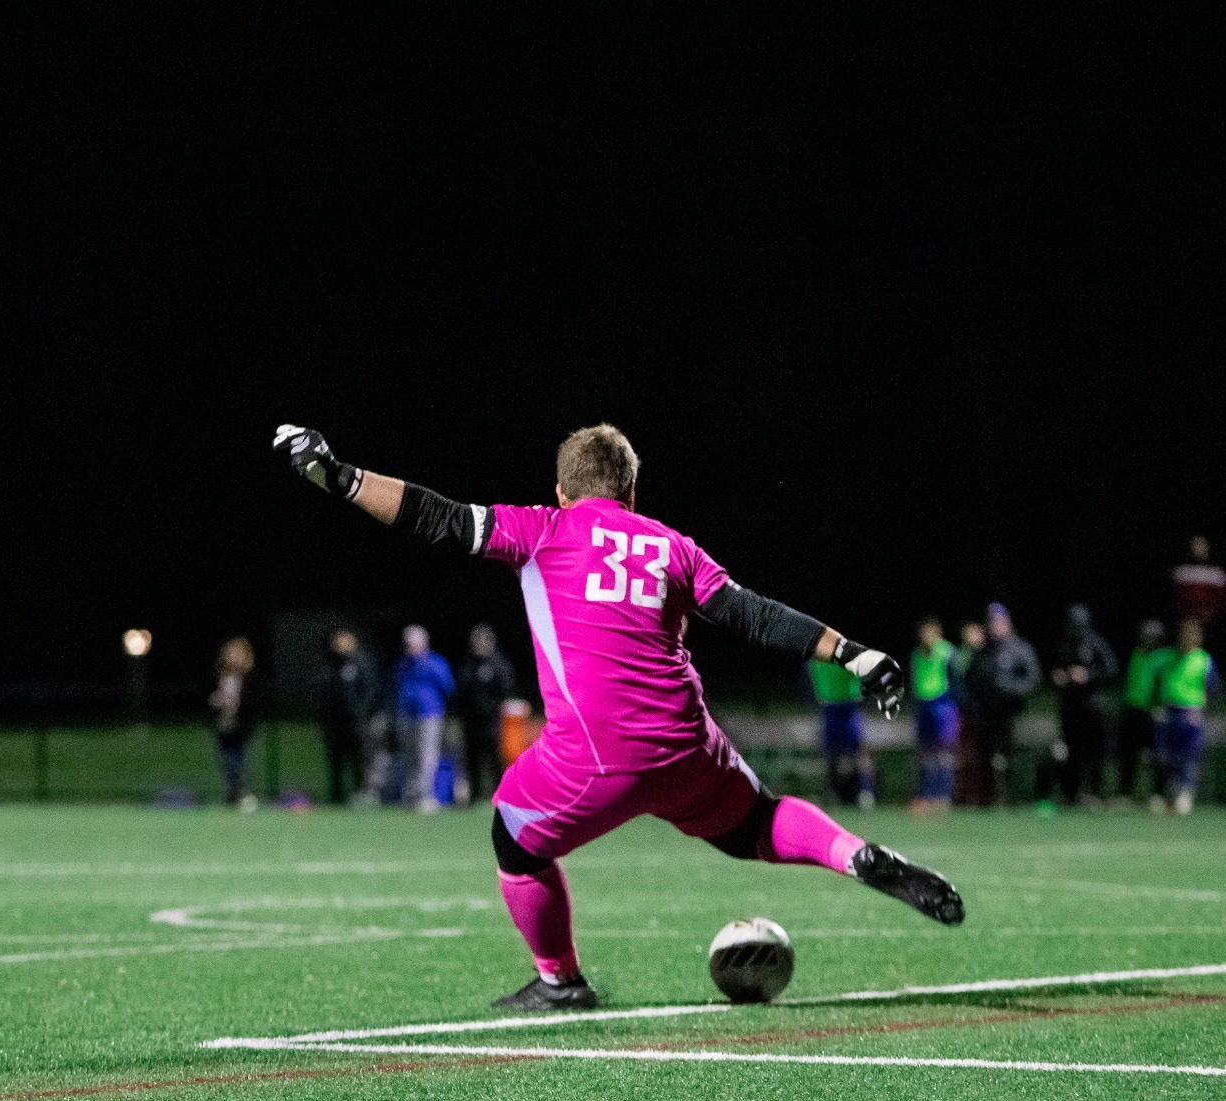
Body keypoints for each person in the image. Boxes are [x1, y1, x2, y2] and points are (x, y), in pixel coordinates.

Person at [273, 421, 963, 1011]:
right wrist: (852, 652)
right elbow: (751, 613)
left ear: (562, 492)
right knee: (755, 821)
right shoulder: (673, 545)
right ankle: (854, 853)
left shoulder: (542, 529)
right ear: (632, 494)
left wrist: (341, 476)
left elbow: (437, 515)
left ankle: (560, 980)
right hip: (688, 742)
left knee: (514, 837)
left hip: (593, 754)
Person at [967, 604, 1040, 804]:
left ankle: (1016, 798)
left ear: (1007, 622)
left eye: (998, 621)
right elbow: (971, 680)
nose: (994, 626)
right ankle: (987, 799)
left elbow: (1032, 678)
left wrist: (1012, 692)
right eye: (991, 622)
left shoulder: (1020, 648)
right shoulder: (982, 652)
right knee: (985, 756)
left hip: (1012, 713)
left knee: (1012, 755)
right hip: (986, 713)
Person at [1049, 604, 1118, 806]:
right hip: (1069, 707)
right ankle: (1071, 794)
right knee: (1071, 751)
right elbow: (1055, 669)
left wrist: (1088, 675)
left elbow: (1111, 670)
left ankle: (1095, 792)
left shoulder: (1095, 643)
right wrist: (1060, 676)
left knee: (1094, 750)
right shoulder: (1065, 644)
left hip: (1092, 706)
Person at [1153, 616, 1217, 814]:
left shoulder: (1203, 660)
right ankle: (1167, 794)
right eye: (1184, 635)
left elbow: (1212, 689)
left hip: (1190, 713)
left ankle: (1185, 793)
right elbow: (1156, 685)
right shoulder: (1166, 658)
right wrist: (1156, 706)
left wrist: (1201, 711)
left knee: (1188, 757)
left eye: (1191, 636)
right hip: (1168, 712)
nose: (1187, 639)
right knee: (1165, 757)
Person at [393, 624, 455, 812]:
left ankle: (427, 795)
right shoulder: (402, 665)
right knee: (409, 756)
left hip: (429, 714)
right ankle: (410, 796)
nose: (410, 648)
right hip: (406, 714)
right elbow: (396, 687)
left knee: (428, 756)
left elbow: (448, 687)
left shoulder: (435, 663)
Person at [455, 624, 516, 804]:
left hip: (493, 721)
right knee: (472, 760)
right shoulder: (469, 666)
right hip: (472, 722)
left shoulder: (499, 665)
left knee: (495, 759)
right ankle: (474, 795)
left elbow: (507, 691)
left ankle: (500, 796)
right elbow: (462, 692)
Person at [318, 629, 380, 804]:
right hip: (336, 723)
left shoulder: (362, 662)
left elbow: (370, 691)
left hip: (357, 723)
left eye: (345, 642)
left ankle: (359, 793)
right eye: (338, 642)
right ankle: (336, 795)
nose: (340, 646)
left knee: (357, 760)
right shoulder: (330, 665)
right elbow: (325, 693)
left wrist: (362, 713)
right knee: (336, 760)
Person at [908, 617, 960, 811]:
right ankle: (926, 796)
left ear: (938, 633)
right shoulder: (916, 654)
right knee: (925, 753)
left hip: (943, 707)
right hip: (923, 708)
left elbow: (956, 681)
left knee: (944, 752)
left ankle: (944, 796)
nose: (927, 637)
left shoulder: (947, 652)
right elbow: (914, 681)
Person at [811, 656, 874, 810]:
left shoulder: (844, 655)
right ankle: (834, 793)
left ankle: (865, 792)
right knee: (831, 753)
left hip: (849, 706)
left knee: (859, 751)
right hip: (829, 707)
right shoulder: (815, 659)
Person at [1116, 620, 1166, 803]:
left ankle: (1158, 794)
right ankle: (1125, 794)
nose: (1147, 639)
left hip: (1151, 712)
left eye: (1152, 636)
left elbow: (1163, 685)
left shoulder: (1163, 657)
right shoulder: (1135, 654)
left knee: (1156, 756)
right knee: (1128, 755)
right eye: (1145, 635)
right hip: (1131, 710)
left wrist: (1160, 706)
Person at [208, 636, 259, 810]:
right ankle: (233, 793)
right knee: (225, 760)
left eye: (238, 653)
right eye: (230, 653)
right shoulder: (219, 675)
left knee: (238, 760)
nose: (233, 657)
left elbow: (253, 700)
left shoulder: (248, 676)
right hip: (223, 724)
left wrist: (239, 706)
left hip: (240, 725)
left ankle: (240, 792)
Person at [952, 619, 989, 806]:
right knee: (963, 754)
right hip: (964, 711)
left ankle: (982, 795)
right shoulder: (959, 655)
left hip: (984, 713)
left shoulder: (988, 654)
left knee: (981, 755)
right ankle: (964, 796)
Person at [1171, 535, 1226, 628]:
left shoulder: (1217, 574)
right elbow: (1175, 601)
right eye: (1195, 545)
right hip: (1185, 623)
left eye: (1201, 545)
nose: (1198, 549)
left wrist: (1208, 616)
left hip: (1211, 624)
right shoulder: (1181, 572)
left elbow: (1221, 603)